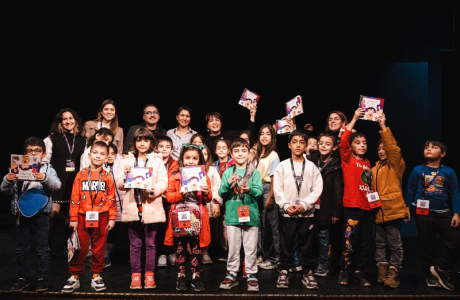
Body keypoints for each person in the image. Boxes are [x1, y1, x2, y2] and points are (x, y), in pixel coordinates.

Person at [1, 137, 61, 292]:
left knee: (42, 249)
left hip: (41, 214)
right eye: (30, 150)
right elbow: (4, 191)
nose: (33, 153)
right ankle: (22, 278)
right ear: (25, 153)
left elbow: (56, 186)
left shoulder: (47, 169)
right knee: (22, 249)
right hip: (21, 213)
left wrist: (45, 179)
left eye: (37, 150)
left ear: (43, 154)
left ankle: (42, 278)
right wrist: (7, 180)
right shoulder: (16, 167)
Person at [61, 141, 116, 293]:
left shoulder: (107, 177)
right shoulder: (81, 174)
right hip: (82, 216)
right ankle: (74, 277)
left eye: (102, 154)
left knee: (99, 247)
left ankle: (96, 275)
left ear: (106, 157)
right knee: (80, 247)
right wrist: (73, 218)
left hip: (102, 216)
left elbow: (112, 198)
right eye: (96, 153)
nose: (98, 156)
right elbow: (74, 197)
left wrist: (112, 217)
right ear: (90, 155)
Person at [405, 140, 460, 291]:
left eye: (434, 147)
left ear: (442, 154)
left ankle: (441, 268)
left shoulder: (449, 172)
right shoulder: (418, 170)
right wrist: (407, 207)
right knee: (426, 245)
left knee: (455, 240)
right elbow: (410, 189)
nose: (429, 149)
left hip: (443, 212)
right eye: (426, 147)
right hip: (422, 213)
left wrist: (456, 212)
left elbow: (454, 193)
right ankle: (431, 277)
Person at [117, 128, 168, 289]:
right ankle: (136, 275)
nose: (142, 143)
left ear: (151, 142)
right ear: (135, 142)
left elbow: (163, 182)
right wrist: (125, 176)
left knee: (151, 243)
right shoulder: (128, 160)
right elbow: (119, 183)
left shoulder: (157, 160)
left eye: (146, 140)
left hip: (151, 207)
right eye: (139, 140)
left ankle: (149, 274)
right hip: (133, 206)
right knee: (135, 244)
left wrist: (153, 191)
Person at [274, 130, 323, 289]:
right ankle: (284, 271)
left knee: (307, 244)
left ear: (305, 145)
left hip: (306, 212)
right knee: (286, 243)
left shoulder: (311, 167)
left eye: (302, 142)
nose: (298, 145)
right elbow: (278, 189)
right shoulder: (282, 166)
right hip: (288, 213)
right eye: (294, 142)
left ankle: (308, 272)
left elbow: (317, 188)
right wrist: (286, 206)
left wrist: (306, 204)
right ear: (289, 145)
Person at [164, 144, 212, 292]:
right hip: (180, 218)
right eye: (188, 158)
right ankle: (181, 275)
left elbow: (209, 198)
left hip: (197, 217)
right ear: (182, 159)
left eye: (195, 158)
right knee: (180, 248)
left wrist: (205, 192)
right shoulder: (175, 176)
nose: (191, 161)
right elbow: (169, 196)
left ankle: (196, 276)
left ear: (200, 160)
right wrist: (181, 195)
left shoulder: (203, 176)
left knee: (196, 249)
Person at [218, 138, 263, 292]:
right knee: (233, 247)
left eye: (243, 150)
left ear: (248, 152)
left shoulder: (254, 171)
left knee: (250, 248)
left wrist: (248, 190)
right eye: (236, 151)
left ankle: (251, 274)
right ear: (231, 153)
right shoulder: (228, 172)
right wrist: (227, 183)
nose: (240, 154)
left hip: (250, 214)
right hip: (232, 215)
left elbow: (259, 191)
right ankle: (231, 273)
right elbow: (221, 193)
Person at [337, 108, 374, 287]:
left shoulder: (367, 163)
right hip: (353, 207)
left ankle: (359, 272)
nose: (361, 145)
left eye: (364, 143)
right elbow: (343, 140)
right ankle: (345, 271)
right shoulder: (347, 159)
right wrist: (354, 118)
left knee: (366, 243)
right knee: (349, 242)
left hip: (369, 208)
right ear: (351, 146)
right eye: (357, 142)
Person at [371, 113, 408, 288]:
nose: (381, 150)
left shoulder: (396, 164)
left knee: (394, 243)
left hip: (392, 210)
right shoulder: (374, 168)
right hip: (378, 211)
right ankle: (382, 270)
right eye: (379, 148)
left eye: (384, 147)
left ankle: (394, 272)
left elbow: (392, 148)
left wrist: (383, 126)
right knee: (379, 243)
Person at [43, 108, 86, 256]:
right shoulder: (51, 139)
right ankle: (45, 246)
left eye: (71, 118)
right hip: (56, 182)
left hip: (74, 183)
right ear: (60, 122)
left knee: (70, 217)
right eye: (65, 119)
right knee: (52, 215)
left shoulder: (83, 140)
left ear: (76, 120)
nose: (68, 121)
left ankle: (68, 248)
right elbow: (44, 161)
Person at [308, 132, 343, 277]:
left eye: (328, 144)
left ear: (334, 147)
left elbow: (338, 191)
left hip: (326, 206)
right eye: (321, 143)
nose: (323, 146)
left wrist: (335, 212)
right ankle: (311, 262)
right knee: (310, 234)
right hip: (311, 204)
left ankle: (323, 264)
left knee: (323, 235)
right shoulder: (312, 159)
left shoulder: (336, 165)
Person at [253, 124, 281, 270]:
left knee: (271, 226)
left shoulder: (273, 155)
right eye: (262, 134)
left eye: (268, 134)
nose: (264, 136)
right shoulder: (258, 154)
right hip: (256, 189)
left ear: (273, 137)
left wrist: (271, 197)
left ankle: (275, 258)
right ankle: (262, 254)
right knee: (259, 226)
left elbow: (274, 177)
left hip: (268, 189)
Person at [155, 135, 178, 267]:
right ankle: (161, 253)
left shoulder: (175, 164)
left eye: (167, 147)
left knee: (172, 226)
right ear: (156, 149)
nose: (164, 149)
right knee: (159, 229)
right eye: (161, 146)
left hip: (171, 200)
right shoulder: (152, 162)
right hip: (156, 200)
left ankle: (171, 252)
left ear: (172, 150)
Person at [104, 143, 126, 269]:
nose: (110, 156)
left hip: (124, 202)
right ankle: (105, 254)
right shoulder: (101, 167)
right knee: (111, 230)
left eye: (113, 153)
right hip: (109, 205)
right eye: (108, 154)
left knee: (127, 231)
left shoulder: (122, 164)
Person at [201, 144, 224, 264]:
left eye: (205, 154)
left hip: (208, 204)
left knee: (207, 229)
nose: (202, 156)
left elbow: (217, 187)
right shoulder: (188, 170)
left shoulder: (212, 169)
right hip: (194, 205)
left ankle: (205, 252)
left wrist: (217, 203)